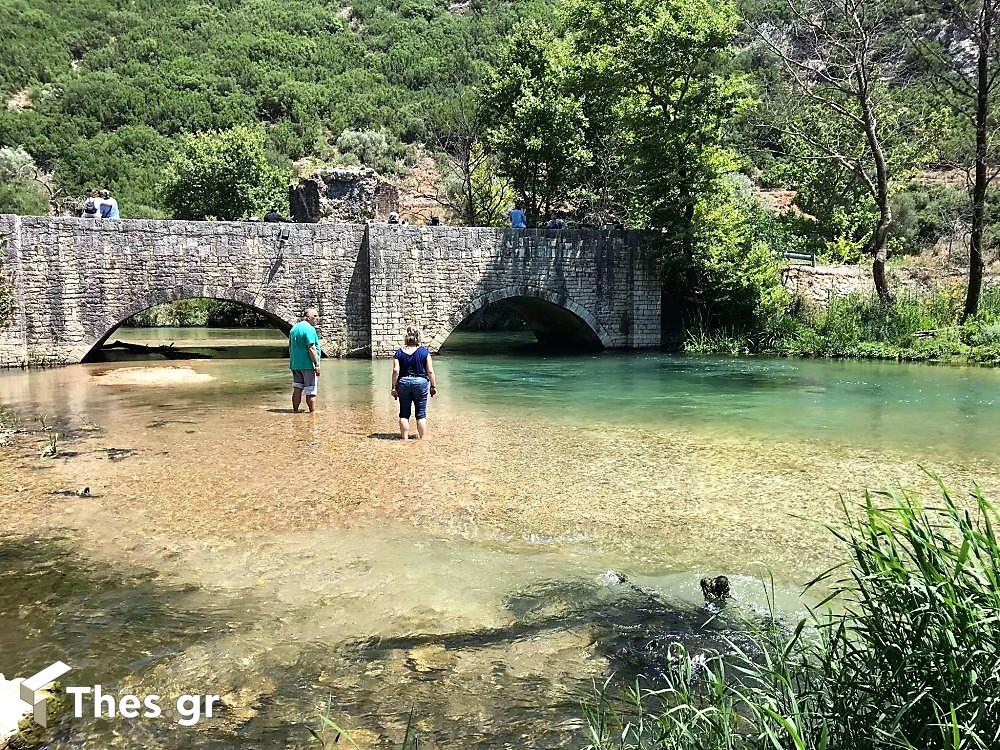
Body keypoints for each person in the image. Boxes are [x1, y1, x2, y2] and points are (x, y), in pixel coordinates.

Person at [390, 326, 437, 440]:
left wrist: (393, 387)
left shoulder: (399, 352)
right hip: (420, 383)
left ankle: (404, 439)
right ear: (418, 338)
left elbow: (396, 371)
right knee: (420, 414)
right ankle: (423, 440)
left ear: (406, 338)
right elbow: (430, 371)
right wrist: (433, 386)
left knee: (404, 413)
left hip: (403, 383)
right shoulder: (424, 352)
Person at [289, 308, 322, 413]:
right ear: (308, 317)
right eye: (315, 316)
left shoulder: (294, 329)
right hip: (308, 365)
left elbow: (290, 347)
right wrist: (316, 365)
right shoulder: (310, 329)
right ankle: (313, 414)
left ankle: (295, 411)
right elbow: (311, 348)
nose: (317, 318)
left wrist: (293, 361)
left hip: (295, 365)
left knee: (297, 389)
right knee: (311, 391)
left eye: (317, 316)